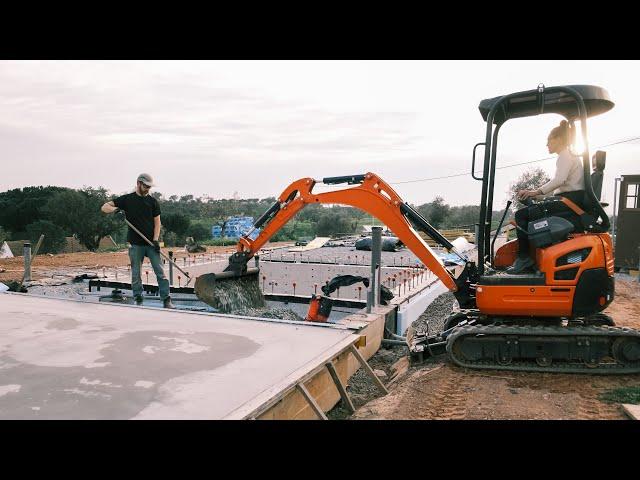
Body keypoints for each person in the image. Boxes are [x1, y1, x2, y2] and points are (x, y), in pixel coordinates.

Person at [509, 120, 586, 274]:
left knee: (521, 215)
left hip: (568, 203)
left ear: (558, 139)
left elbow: (559, 180)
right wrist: (537, 195)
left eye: (548, 141)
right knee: (530, 212)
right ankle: (534, 257)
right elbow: (559, 184)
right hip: (567, 200)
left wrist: (536, 192)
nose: (547, 145)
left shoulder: (565, 155)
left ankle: (524, 258)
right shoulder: (568, 155)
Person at [101, 173, 174, 308]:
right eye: (145, 186)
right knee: (136, 274)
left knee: (160, 272)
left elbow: (157, 223)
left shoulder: (152, 202)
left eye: (149, 187)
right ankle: (138, 298)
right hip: (135, 244)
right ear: (138, 183)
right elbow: (104, 207)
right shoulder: (127, 200)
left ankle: (166, 299)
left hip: (151, 244)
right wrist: (116, 209)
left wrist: (156, 240)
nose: (147, 189)